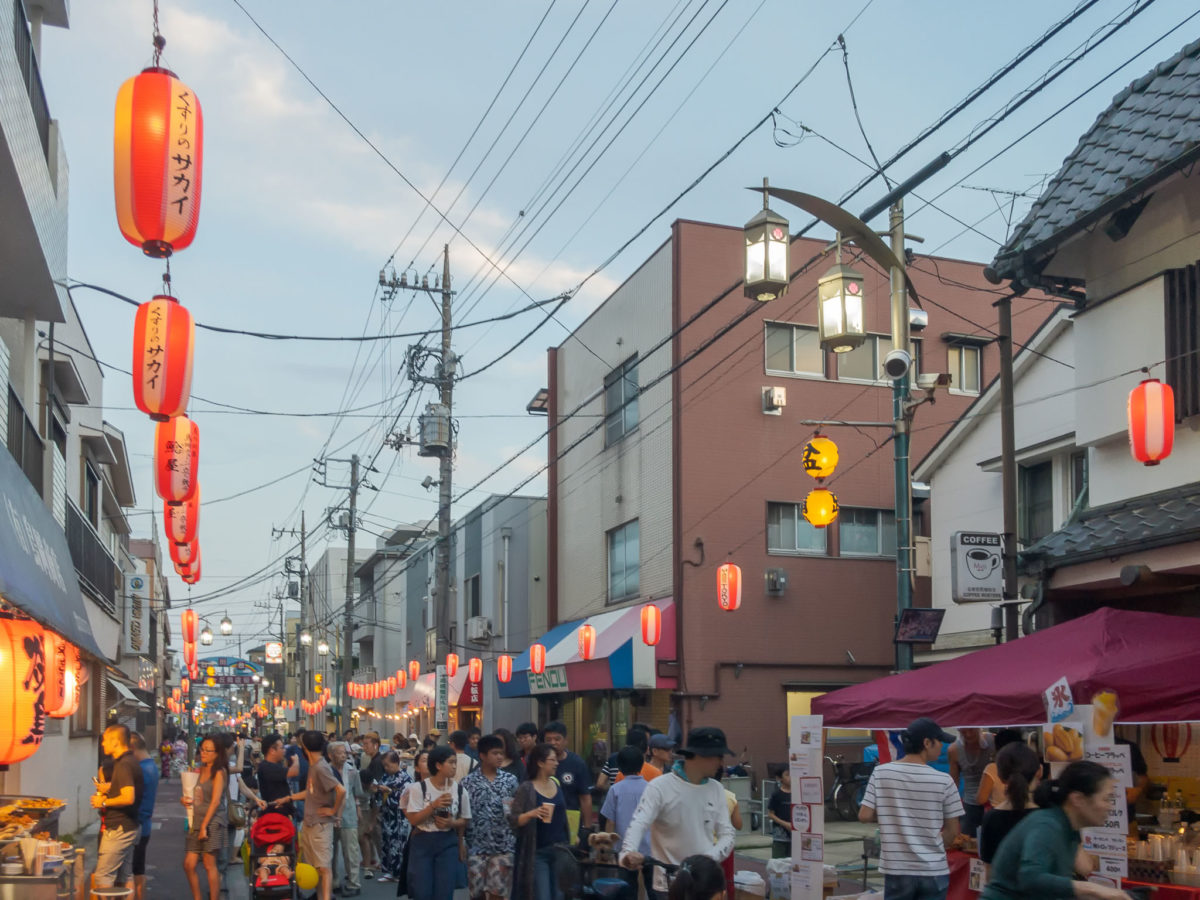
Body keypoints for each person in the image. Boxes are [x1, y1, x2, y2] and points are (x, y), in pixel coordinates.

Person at [980, 761, 1130, 900]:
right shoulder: (1047, 824)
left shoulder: (1069, 828)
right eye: (1106, 799)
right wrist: (1092, 889)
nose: (1110, 806)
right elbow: (1030, 878)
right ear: (1077, 799)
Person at [619, 727, 737, 897]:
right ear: (699, 755)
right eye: (718, 756)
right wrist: (627, 853)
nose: (721, 763)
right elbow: (639, 822)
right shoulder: (660, 787)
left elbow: (728, 834)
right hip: (667, 883)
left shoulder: (716, 789)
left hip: (704, 884)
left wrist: (708, 858)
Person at [859, 718, 963, 900]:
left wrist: (890, 814)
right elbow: (953, 832)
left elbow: (864, 815)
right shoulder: (944, 781)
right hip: (934, 870)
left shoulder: (881, 773)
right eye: (939, 741)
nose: (941, 747)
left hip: (897, 869)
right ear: (927, 743)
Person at [284, 731, 346, 900]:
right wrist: (289, 797)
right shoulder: (314, 765)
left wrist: (333, 811)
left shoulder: (320, 767)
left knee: (324, 869)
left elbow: (341, 790)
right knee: (316, 868)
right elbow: (311, 793)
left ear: (304, 747)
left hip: (320, 826)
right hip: (311, 824)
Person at [406, 745, 471, 900]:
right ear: (438, 765)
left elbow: (465, 819)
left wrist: (452, 825)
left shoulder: (460, 790)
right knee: (422, 892)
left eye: (455, 762)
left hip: (447, 842)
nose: (455, 766)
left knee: (444, 892)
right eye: (450, 762)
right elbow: (413, 819)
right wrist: (433, 806)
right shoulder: (418, 788)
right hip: (422, 841)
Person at [462, 734, 519, 900]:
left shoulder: (510, 780)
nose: (500, 757)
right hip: (476, 846)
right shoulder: (468, 783)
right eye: (495, 753)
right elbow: (463, 814)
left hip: (504, 847)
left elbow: (517, 810)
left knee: (499, 894)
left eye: (501, 753)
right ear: (482, 756)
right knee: (476, 894)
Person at [509, 743, 568, 900]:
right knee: (542, 895)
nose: (556, 763)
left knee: (559, 895)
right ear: (540, 763)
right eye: (552, 760)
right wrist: (531, 814)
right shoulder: (526, 788)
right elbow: (514, 820)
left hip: (560, 849)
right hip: (537, 851)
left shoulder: (556, 784)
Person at [91, 724, 146, 891]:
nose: (102, 744)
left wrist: (104, 802)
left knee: (103, 877)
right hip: (130, 826)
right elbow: (128, 789)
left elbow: (128, 797)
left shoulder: (123, 764)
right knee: (125, 876)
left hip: (119, 828)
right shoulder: (130, 761)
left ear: (115, 742)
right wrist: (110, 788)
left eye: (105, 740)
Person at [978, 743, 1041, 868]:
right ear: (1039, 772)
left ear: (1000, 778)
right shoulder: (1048, 814)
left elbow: (990, 871)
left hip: (1005, 887)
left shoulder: (991, 818)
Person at [182, 735, 227, 900]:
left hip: (213, 821)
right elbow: (195, 795)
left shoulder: (219, 773)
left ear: (217, 753)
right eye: (202, 749)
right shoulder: (198, 770)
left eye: (209, 750)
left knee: (209, 864)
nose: (204, 753)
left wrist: (204, 826)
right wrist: (185, 800)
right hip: (197, 819)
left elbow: (215, 801)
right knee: (189, 864)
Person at [542, 721, 593, 843]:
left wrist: (587, 828)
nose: (553, 743)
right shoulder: (537, 762)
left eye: (557, 739)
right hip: (544, 819)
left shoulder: (577, 763)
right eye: (548, 739)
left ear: (566, 740)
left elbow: (585, 797)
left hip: (570, 820)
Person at [330, 741, 366, 897]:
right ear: (330, 755)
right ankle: (333, 881)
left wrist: (358, 807)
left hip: (348, 813)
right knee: (330, 851)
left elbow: (357, 791)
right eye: (340, 752)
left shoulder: (352, 770)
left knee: (350, 850)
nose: (344, 755)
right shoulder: (326, 770)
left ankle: (354, 883)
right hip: (329, 813)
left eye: (345, 752)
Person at [949, 728, 996, 838]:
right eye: (963, 732)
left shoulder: (993, 741)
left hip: (994, 801)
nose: (968, 734)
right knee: (968, 841)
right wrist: (951, 809)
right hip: (970, 803)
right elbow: (953, 782)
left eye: (971, 730)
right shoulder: (954, 750)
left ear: (979, 728)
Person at [130, 732, 160, 900]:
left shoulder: (141, 770)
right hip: (144, 825)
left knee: (135, 871)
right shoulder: (150, 766)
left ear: (132, 747)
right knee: (138, 869)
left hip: (138, 825)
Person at [377, 750, 414, 884]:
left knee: (399, 844)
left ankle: (400, 872)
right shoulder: (386, 777)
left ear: (396, 763)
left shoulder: (406, 778)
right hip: (387, 815)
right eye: (384, 766)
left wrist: (390, 792)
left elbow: (406, 798)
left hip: (399, 817)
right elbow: (379, 794)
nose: (386, 768)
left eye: (388, 765)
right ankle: (389, 871)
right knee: (387, 842)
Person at [359, 731, 386, 878]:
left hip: (376, 804)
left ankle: (384, 862)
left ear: (376, 745)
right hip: (376, 803)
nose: (364, 747)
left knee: (376, 832)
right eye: (363, 744)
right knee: (374, 833)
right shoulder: (375, 760)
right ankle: (378, 860)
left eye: (366, 744)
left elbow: (376, 786)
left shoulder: (376, 762)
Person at [975, 730, 1024, 809]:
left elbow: (981, 799)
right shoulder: (1029, 764)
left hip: (999, 813)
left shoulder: (992, 768)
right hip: (1025, 813)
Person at [259, 733, 299, 816]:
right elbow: (294, 772)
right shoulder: (267, 766)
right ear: (272, 751)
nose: (284, 750)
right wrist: (296, 760)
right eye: (282, 748)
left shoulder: (275, 765)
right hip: (275, 813)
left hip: (281, 811)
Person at [767, 767, 792, 859]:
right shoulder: (777, 794)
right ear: (779, 778)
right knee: (778, 863)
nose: (791, 777)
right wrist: (785, 824)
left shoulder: (798, 793)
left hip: (795, 836)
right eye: (787, 775)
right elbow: (770, 814)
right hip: (780, 836)